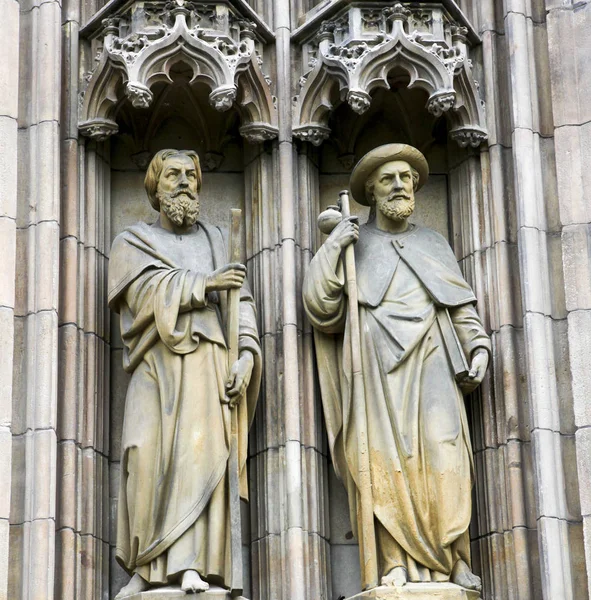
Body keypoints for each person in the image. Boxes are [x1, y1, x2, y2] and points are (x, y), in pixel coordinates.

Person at [303, 144, 490, 592]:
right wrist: (333, 248)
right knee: (383, 465)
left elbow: (460, 308)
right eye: (388, 179)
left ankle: (454, 559)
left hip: (433, 365)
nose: (400, 185)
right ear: (370, 191)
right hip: (376, 373)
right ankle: (394, 565)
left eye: (406, 178)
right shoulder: (353, 241)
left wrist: (478, 347)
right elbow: (320, 307)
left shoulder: (433, 244)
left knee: (447, 455)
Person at [108, 149, 261, 597]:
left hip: (207, 362)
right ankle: (146, 563)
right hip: (155, 367)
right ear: (155, 187)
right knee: (144, 454)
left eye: (191, 175)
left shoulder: (216, 239)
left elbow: (242, 304)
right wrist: (205, 284)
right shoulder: (131, 242)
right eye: (172, 175)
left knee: (199, 459)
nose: (183, 182)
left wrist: (248, 354)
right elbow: (139, 295)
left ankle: (192, 565)